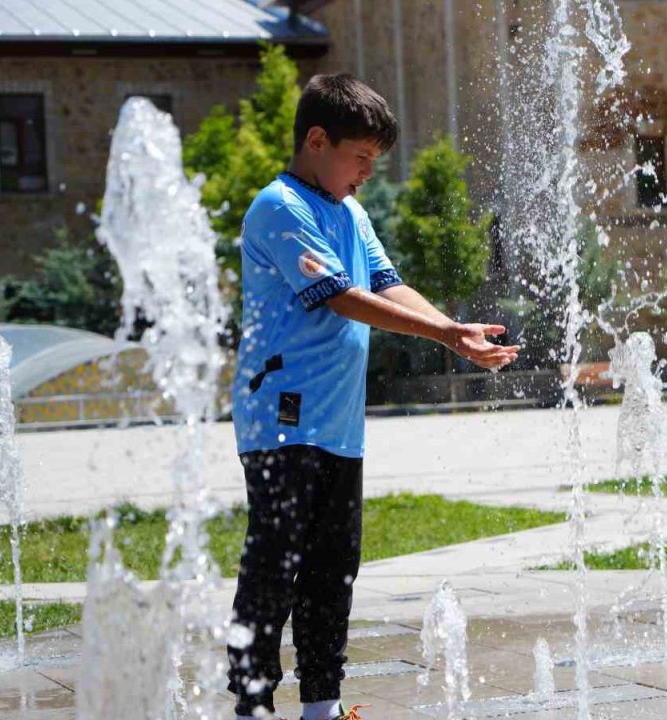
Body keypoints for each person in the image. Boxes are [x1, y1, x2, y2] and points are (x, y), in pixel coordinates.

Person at [226, 74, 518, 720]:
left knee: (334, 569)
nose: (365, 175)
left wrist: (454, 333)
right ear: (317, 140)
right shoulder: (279, 206)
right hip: (281, 417)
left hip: (338, 424)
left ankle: (322, 707)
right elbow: (340, 295)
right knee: (276, 565)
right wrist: (442, 330)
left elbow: (386, 284)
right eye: (360, 160)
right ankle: (252, 705)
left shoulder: (350, 213)